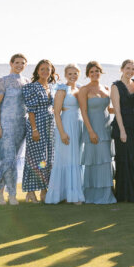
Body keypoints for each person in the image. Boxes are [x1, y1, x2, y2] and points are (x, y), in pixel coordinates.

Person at [0, 53, 28, 205]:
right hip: (6, 125)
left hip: (21, 125)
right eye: (16, 62)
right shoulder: (3, 81)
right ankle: (11, 193)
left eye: (22, 63)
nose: (19, 65)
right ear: (11, 63)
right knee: (7, 159)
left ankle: (0, 190)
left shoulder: (26, 81)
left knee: (13, 160)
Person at [45, 64, 84, 204]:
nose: (73, 76)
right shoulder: (62, 90)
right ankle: (65, 194)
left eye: (75, 73)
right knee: (66, 159)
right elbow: (56, 112)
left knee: (76, 158)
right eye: (70, 73)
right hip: (66, 124)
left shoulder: (79, 89)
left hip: (78, 124)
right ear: (66, 74)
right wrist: (62, 132)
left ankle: (74, 191)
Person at [79, 61, 117, 204]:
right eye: (92, 72)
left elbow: (109, 109)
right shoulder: (84, 90)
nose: (95, 74)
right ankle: (91, 194)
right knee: (93, 161)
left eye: (97, 71)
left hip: (106, 128)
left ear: (101, 72)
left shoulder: (106, 88)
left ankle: (106, 193)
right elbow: (83, 111)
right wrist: (90, 131)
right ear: (88, 74)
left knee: (106, 161)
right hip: (92, 129)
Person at [111, 60, 134, 203]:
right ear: (121, 69)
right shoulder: (115, 86)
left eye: (133, 69)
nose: (130, 71)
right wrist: (122, 131)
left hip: (133, 125)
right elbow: (117, 110)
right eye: (127, 68)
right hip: (121, 126)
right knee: (124, 159)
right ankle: (128, 194)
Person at [22, 59, 57, 203]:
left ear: (51, 72)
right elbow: (30, 111)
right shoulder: (31, 87)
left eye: (47, 69)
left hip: (49, 125)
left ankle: (44, 189)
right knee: (36, 159)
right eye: (42, 69)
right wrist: (34, 129)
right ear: (37, 71)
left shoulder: (51, 87)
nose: (45, 72)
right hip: (36, 125)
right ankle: (31, 191)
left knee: (48, 159)